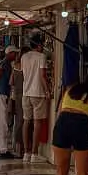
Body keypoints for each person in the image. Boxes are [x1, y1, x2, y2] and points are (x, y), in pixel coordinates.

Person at [20, 34, 49, 162]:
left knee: (26, 122)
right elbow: (43, 75)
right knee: (37, 123)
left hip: (26, 92)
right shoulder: (41, 56)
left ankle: (26, 153)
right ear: (39, 45)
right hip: (38, 92)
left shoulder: (24, 56)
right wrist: (47, 90)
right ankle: (34, 154)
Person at [0, 46, 18, 157]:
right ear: (10, 53)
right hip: (2, 94)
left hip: (1, 94)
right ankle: (3, 149)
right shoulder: (4, 64)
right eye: (15, 53)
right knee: (2, 121)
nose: (16, 55)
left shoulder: (4, 63)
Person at [10, 48, 25, 157]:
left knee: (18, 121)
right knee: (23, 121)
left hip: (16, 96)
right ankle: (22, 149)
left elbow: (11, 82)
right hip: (24, 94)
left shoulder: (15, 66)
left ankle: (17, 147)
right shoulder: (25, 66)